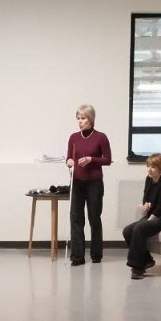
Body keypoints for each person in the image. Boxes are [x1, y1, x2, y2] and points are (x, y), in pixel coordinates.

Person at [122, 153, 161, 279]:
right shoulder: (149, 179)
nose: (149, 169)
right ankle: (147, 260)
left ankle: (137, 268)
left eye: (153, 167)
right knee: (127, 230)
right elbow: (146, 197)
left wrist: (148, 220)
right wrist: (146, 205)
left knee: (139, 228)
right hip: (158, 215)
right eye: (148, 166)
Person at [66, 104, 111, 266]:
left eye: (83, 118)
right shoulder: (73, 137)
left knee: (94, 218)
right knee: (76, 218)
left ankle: (96, 254)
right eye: (78, 118)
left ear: (91, 119)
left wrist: (91, 159)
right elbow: (69, 158)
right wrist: (69, 162)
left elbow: (107, 160)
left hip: (94, 184)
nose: (80, 121)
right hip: (77, 183)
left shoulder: (101, 137)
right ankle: (77, 257)